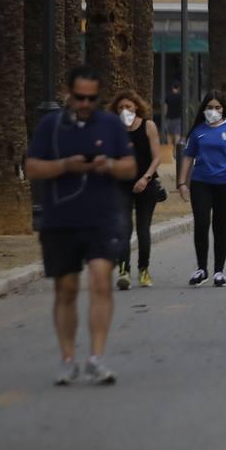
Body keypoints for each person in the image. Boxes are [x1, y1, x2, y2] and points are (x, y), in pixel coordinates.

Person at [25, 65, 136, 385]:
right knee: (67, 288)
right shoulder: (51, 126)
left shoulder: (111, 125)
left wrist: (110, 164)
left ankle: (96, 358)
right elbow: (32, 167)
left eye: (91, 98)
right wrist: (65, 165)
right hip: (60, 220)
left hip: (102, 218)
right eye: (79, 97)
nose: (85, 104)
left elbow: (130, 167)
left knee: (101, 281)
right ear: (68, 93)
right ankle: (67, 359)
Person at [178, 91, 226, 287]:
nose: (213, 111)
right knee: (201, 223)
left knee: (219, 226)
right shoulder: (198, 131)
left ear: (223, 109)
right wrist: (182, 182)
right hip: (201, 183)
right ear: (204, 109)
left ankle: (219, 271)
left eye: (218, 107)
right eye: (210, 108)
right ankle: (201, 268)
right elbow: (188, 157)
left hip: (225, 185)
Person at [110, 91, 162, 290]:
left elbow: (156, 157)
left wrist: (146, 178)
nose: (125, 111)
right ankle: (123, 270)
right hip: (121, 185)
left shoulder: (148, 126)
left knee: (143, 229)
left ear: (136, 108)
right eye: (121, 108)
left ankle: (143, 270)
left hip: (145, 184)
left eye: (128, 107)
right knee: (123, 229)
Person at [164, 81, 184, 146]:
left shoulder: (168, 96)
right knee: (177, 134)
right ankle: (176, 151)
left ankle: (169, 151)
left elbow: (165, 108)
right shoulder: (180, 97)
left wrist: (165, 115)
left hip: (169, 117)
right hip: (177, 118)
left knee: (169, 134)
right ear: (179, 88)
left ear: (172, 87)